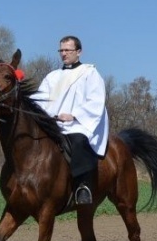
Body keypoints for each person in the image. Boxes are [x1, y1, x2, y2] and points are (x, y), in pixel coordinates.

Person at [34, 35, 109, 205]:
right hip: (55, 123)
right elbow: (41, 99)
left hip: (80, 123)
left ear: (79, 52)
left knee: (78, 140)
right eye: (61, 50)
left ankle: (83, 187)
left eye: (68, 50)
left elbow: (96, 101)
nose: (63, 53)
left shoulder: (89, 73)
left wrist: (74, 115)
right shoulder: (52, 76)